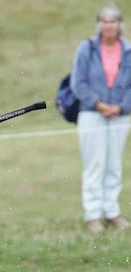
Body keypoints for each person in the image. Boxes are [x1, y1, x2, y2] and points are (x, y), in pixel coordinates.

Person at [71, 4, 131, 234]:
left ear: (119, 25)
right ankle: (93, 215)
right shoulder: (86, 49)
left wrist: (121, 107)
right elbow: (78, 82)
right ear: (99, 25)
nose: (109, 25)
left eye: (113, 21)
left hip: (120, 115)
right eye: (105, 21)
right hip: (91, 115)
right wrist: (99, 104)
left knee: (114, 165)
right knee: (94, 165)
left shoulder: (128, 50)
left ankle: (112, 212)